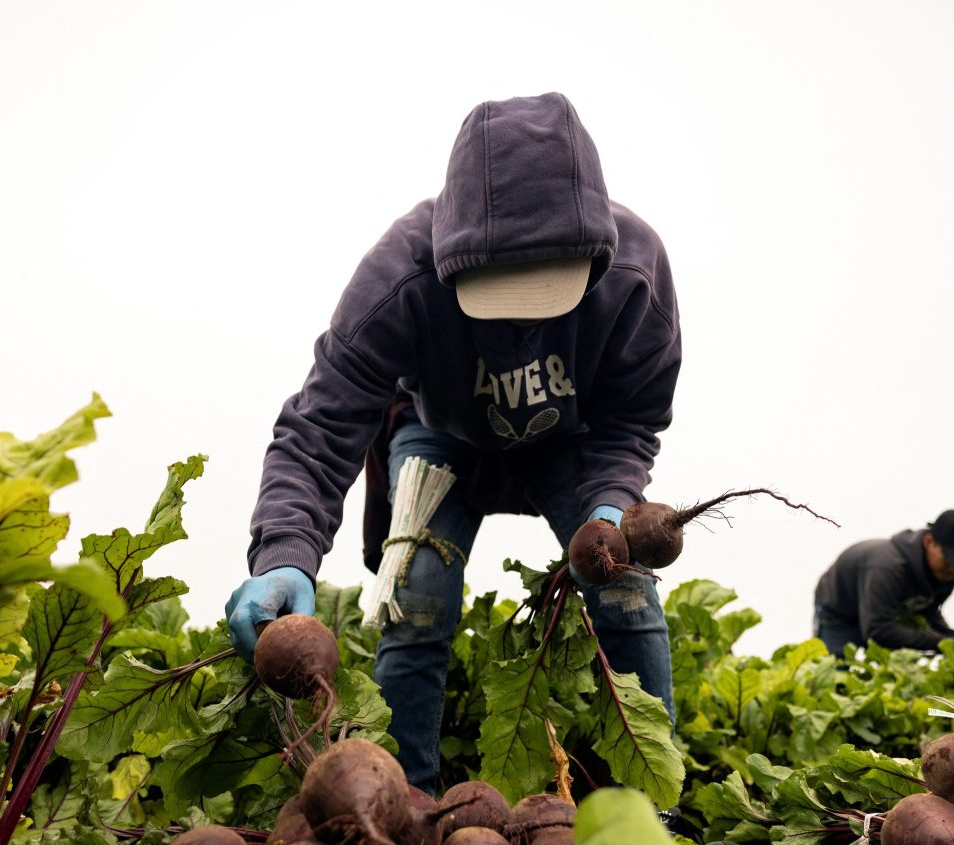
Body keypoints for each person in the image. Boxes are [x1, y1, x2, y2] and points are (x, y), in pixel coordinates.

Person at [224, 92, 681, 793]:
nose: (523, 324)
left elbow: (631, 418)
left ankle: (653, 816)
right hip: (441, 436)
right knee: (417, 599)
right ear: (452, 260)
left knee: (627, 594)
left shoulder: (634, 275)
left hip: (571, 448)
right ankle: (404, 800)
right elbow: (321, 427)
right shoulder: (400, 275)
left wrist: (614, 504)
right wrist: (285, 553)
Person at [813, 509, 954, 655]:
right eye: (949, 560)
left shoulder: (945, 573)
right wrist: (940, 643)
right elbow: (877, 630)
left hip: (884, 615)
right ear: (929, 542)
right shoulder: (886, 567)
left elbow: (929, 612)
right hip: (840, 614)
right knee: (836, 678)